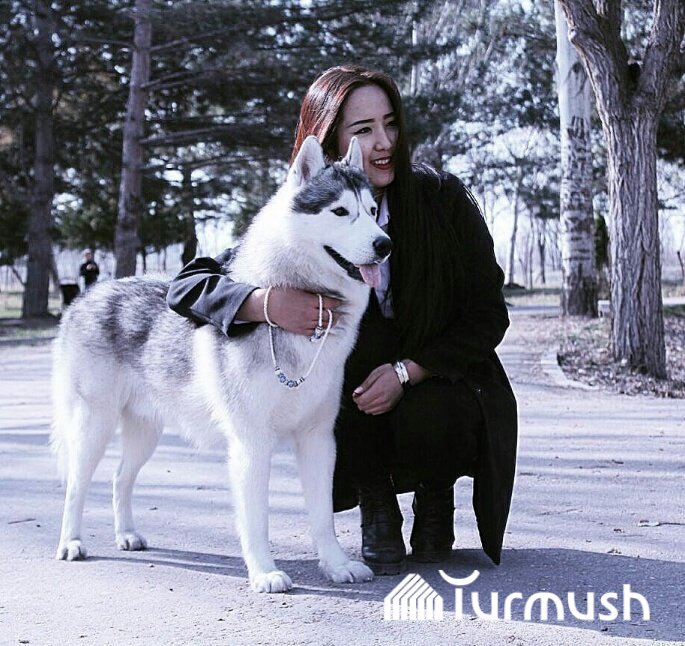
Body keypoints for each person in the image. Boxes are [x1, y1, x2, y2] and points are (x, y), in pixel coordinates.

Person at [167, 65, 517, 575]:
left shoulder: (442, 201)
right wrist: (264, 304)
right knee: (336, 366)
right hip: (355, 399)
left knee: (436, 408)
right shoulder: (308, 215)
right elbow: (187, 285)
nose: (384, 142)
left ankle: (435, 493)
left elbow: (488, 314)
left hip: (438, 383)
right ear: (332, 141)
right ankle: (376, 500)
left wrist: (409, 371)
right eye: (364, 129)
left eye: (391, 124)